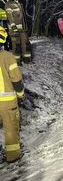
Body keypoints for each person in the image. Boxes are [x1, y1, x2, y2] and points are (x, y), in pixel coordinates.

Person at [0, 25, 24, 163]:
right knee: (10, 131)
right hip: (7, 104)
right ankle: (13, 157)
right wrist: (20, 94)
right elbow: (16, 80)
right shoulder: (7, 57)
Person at [5, 0, 32, 64]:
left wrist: (25, 27)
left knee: (26, 43)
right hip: (14, 29)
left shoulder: (19, 3)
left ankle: (27, 59)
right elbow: (9, 16)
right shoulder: (8, 4)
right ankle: (17, 61)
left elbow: (22, 17)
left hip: (22, 28)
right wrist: (13, 26)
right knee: (16, 45)